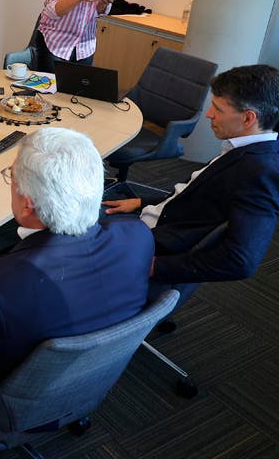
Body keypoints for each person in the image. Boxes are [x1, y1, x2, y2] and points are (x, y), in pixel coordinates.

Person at [0, 128, 154, 385]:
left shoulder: (0, 287)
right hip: (89, 374)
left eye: (11, 176)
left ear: (28, 205)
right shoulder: (138, 235)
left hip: (7, 390)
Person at [103, 64, 279, 295]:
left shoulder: (260, 171)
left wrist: (154, 266)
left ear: (248, 118)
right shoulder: (245, 148)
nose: (208, 114)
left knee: (66, 234)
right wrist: (142, 201)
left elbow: (241, 260)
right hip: (154, 219)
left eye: (218, 109)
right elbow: (197, 197)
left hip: (153, 243)